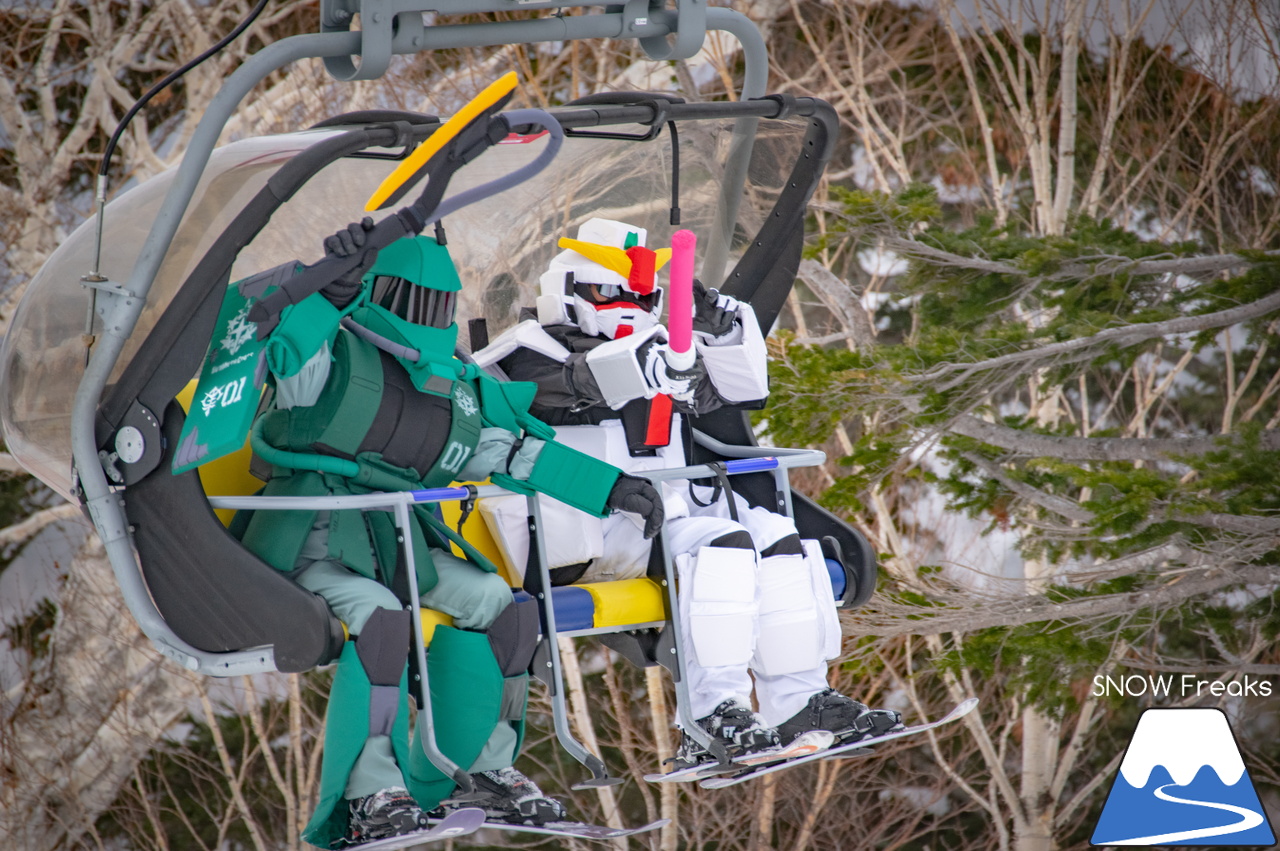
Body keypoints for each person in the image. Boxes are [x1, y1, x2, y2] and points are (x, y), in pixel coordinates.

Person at [236, 222, 664, 848]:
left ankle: (479, 770)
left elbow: (507, 451)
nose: (433, 313)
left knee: (505, 608)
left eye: (441, 302)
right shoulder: (337, 356)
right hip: (315, 542)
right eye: (419, 298)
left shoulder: (450, 385)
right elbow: (293, 365)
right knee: (381, 619)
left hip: (396, 542)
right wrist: (324, 299)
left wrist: (608, 487)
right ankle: (369, 794)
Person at [473, 218, 901, 772]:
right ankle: (713, 713)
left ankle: (798, 702)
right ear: (568, 292)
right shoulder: (525, 355)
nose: (626, 304)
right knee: (722, 539)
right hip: (575, 529)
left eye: (642, 294)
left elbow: (743, 392)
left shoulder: (658, 354)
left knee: (774, 535)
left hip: (658, 520)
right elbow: (576, 381)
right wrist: (651, 365)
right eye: (609, 292)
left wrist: (722, 335)